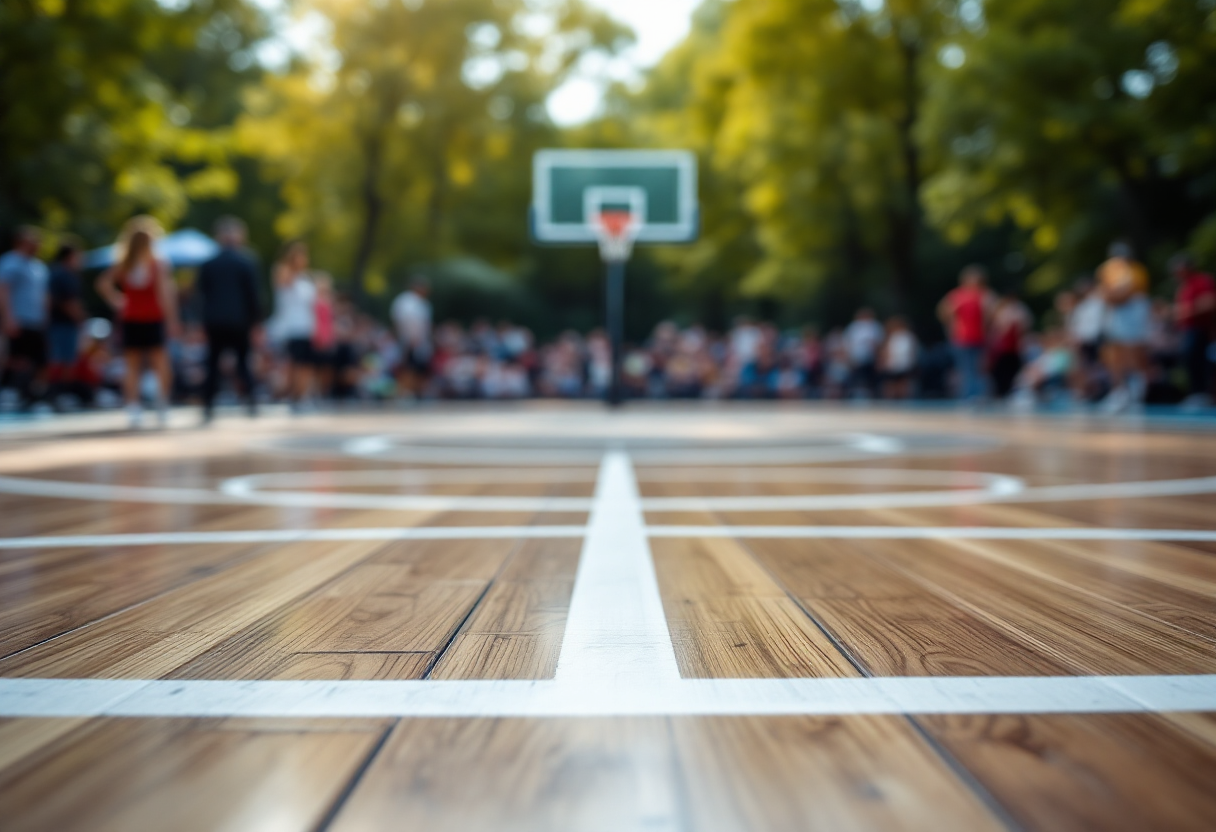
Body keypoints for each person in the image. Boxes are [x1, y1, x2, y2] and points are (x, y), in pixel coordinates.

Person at [96, 217, 179, 428]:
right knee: (160, 363)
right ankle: (161, 405)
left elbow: (103, 283)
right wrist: (172, 320)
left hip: (132, 318)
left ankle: (134, 407)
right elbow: (165, 295)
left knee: (132, 365)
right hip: (152, 317)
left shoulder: (123, 263)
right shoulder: (157, 264)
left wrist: (118, 302)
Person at [196, 217, 262, 423]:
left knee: (213, 363)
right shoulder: (247, 261)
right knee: (243, 362)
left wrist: (200, 321)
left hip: (214, 321)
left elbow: (200, 295)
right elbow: (254, 295)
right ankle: (251, 401)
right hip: (239, 321)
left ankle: (208, 405)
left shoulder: (208, 263)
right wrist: (257, 322)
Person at [1097, 241, 1151, 412]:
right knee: (1114, 352)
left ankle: (1136, 390)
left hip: (1133, 313)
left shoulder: (1137, 270)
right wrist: (1113, 296)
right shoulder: (1107, 269)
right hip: (1116, 313)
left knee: (1133, 349)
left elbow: (1126, 294)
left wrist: (1114, 296)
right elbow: (1105, 292)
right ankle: (1120, 391)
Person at [0, 226, 50, 409]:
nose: (37, 244)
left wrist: (45, 316)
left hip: (36, 320)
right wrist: (8, 318)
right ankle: (9, 391)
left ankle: (32, 395)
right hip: (19, 319)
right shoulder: (10, 262)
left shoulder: (38, 266)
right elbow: (4, 291)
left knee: (41, 361)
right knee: (15, 358)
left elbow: (43, 295)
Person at [272, 240, 317, 410]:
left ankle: (302, 395)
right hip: (292, 327)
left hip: (307, 327)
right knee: (294, 363)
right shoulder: (284, 274)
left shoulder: (306, 279)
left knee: (306, 364)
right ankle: (292, 396)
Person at [938, 265, 992, 401]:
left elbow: (991, 315)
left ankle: (976, 396)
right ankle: (969, 396)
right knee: (966, 370)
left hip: (979, 338)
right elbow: (943, 311)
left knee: (977, 369)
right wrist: (951, 325)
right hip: (961, 338)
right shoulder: (957, 295)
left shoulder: (984, 295)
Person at [1171, 253, 1216, 405]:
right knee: (1189, 359)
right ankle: (1196, 393)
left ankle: (1202, 393)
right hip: (1188, 329)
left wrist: (1187, 311)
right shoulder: (1184, 286)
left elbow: (1210, 302)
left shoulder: (1201, 281)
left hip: (1200, 329)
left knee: (1197, 358)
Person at [46, 238, 87, 404]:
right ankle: (58, 394)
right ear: (70, 256)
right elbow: (69, 303)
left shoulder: (54, 273)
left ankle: (54, 394)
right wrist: (81, 319)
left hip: (55, 323)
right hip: (64, 324)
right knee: (64, 360)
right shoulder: (66, 275)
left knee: (58, 359)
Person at [391, 277, 433, 397]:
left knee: (419, 369)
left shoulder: (422, 303)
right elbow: (404, 322)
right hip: (409, 341)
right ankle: (403, 393)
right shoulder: (407, 301)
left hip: (419, 342)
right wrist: (410, 338)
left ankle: (413, 392)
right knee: (408, 368)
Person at [989, 292, 1032, 399]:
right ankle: (1003, 391)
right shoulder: (1012, 310)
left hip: (1010, 346)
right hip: (1005, 347)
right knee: (1003, 370)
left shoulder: (1016, 310)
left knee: (1009, 370)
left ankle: (1006, 392)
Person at [844, 307, 884, 398]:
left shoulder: (875, 326)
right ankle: (855, 397)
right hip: (856, 359)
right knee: (856, 379)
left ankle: (871, 397)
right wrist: (848, 358)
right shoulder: (853, 327)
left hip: (871, 358)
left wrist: (879, 358)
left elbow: (879, 344)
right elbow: (848, 344)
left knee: (870, 380)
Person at [880, 316, 919, 400]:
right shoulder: (893, 337)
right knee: (892, 385)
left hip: (902, 365)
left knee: (901, 385)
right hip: (894, 365)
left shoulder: (907, 336)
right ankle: (893, 400)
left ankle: (902, 400)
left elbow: (912, 351)